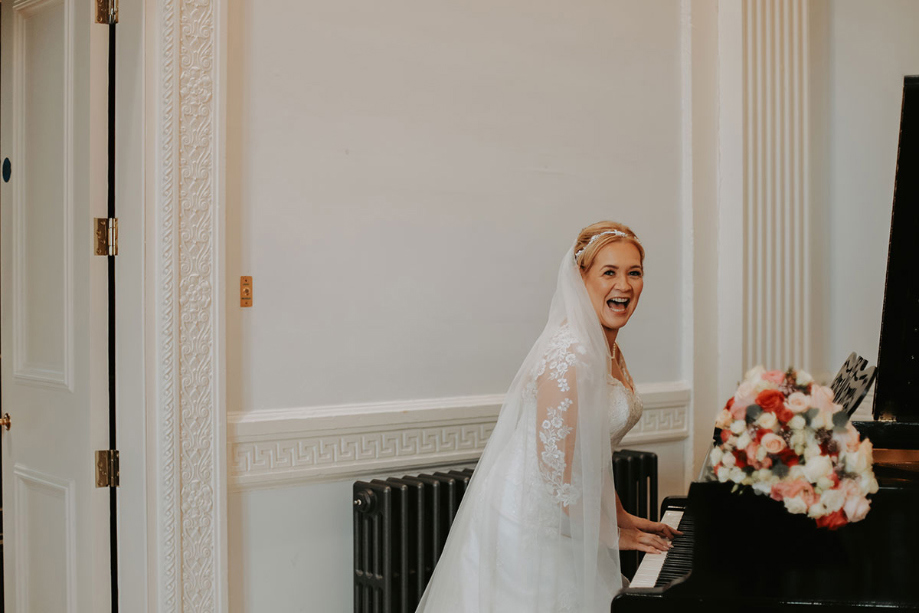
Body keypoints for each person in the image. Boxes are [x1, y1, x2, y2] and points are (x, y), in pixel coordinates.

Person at [415, 221, 680, 613]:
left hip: (567, 514)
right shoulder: (570, 354)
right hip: (530, 522)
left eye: (634, 272)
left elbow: (590, 456)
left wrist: (624, 518)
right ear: (580, 277)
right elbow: (556, 468)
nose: (623, 285)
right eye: (609, 272)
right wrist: (612, 536)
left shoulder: (606, 348)